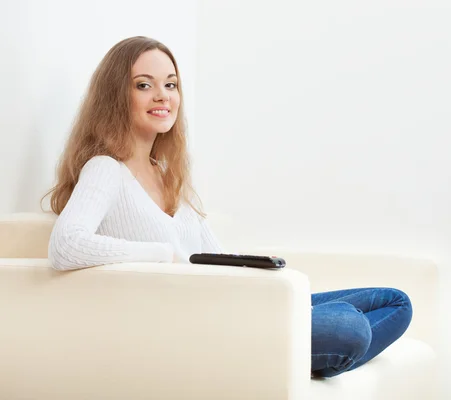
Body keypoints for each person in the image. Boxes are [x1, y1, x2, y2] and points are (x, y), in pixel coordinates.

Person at [43, 36, 412, 378]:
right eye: (144, 85)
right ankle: (302, 344)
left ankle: (297, 346)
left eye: (170, 84)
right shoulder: (105, 169)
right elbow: (65, 246)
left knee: (395, 303)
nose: (162, 96)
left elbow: (214, 256)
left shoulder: (166, 173)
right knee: (347, 327)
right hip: (198, 329)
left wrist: (255, 274)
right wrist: (163, 255)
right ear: (115, 96)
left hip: (229, 306)